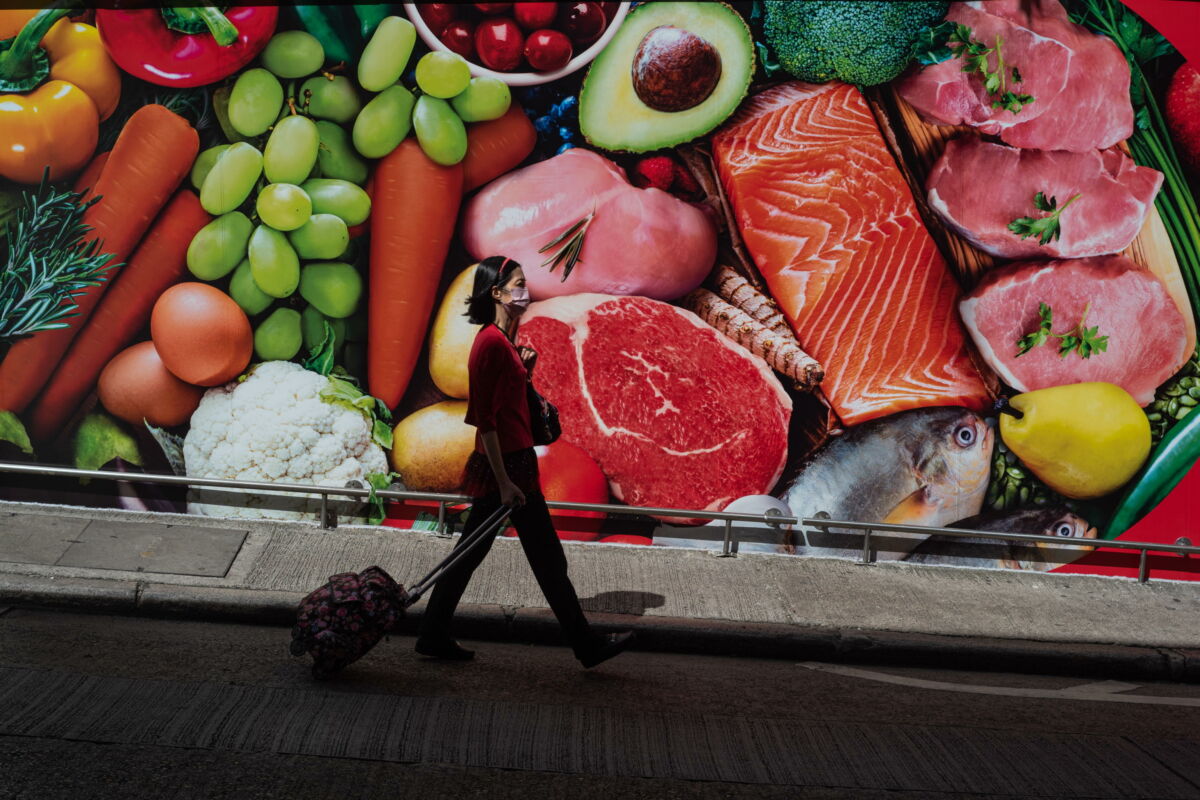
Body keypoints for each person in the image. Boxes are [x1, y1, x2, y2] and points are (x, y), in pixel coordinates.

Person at [415, 255, 635, 668]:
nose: (525, 291)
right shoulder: (490, 345)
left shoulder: (501, 342)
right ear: (496, 293)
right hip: (507, 468)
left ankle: (432, 634)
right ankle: (586, 645)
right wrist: (504, 482)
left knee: (476, 555)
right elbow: (485, 421)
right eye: (517, 284)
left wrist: (523, 371)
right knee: (543, 560)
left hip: (513, 466)